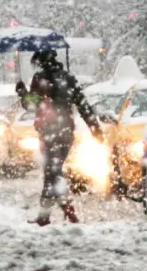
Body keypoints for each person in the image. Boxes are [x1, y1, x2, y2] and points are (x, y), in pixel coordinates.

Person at [17, 48, 104, 226]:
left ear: (40, 62)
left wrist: (23, 93)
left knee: (51, 172)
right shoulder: (68, 78)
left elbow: (30, 104)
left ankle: (58, 212)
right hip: (65, 133)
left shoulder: (40, 79)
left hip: (49, 133)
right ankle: (58, 211)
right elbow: (82, 103)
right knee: (53, 172)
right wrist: (94, 127)